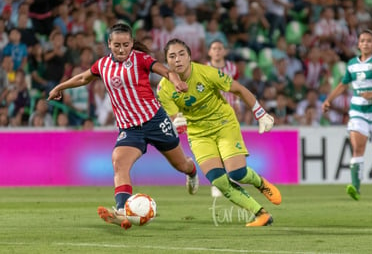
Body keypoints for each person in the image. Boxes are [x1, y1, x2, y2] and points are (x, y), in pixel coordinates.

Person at [48, 23, 199, 230]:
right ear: (109, 44)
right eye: (117, 45)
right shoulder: (102, 65)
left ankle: (192, 173)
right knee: (119, 161)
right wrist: (60, 86)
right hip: (130, 129)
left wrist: (176, 81)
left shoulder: (140, 58)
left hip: (155, 121)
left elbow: (165, 71)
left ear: (131, 43)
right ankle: (121, 211)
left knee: (181, 165)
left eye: (126, 44)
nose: (121, 49)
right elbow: (84, 77)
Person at [157, 38, 280, 227]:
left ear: (189, 57)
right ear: (167, 62)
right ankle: (260, 214)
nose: (178, 60)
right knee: (219, 181)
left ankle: (260, 183)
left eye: (182, 54)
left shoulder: (206, 73)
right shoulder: (164, 88)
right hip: (199, 134)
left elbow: (239, 89)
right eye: (172, 56)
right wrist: (178, 123)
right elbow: (176, 118)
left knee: (237, 173)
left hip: (223, 124)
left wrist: (260, 113)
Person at [322, 29, 372, 201]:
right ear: (358, 44)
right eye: (362, 41)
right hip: (358, 111)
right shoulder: (352, 64)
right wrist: (329, 100)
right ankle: (356, 187)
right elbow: (344, 84)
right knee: (358, 148)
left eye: (369, 41)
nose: (365, 43)